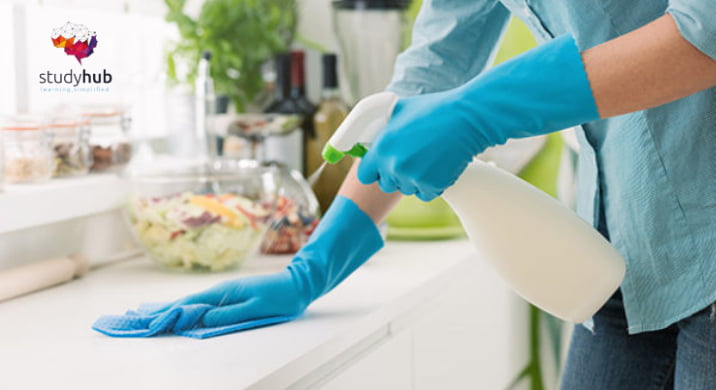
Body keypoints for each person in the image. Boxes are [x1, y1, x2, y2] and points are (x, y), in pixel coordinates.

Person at [95, 1, 716, 388]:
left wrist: (483, 109)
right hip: (621, 257)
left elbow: (705, 27)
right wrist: (313, 268)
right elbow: (431, 68)